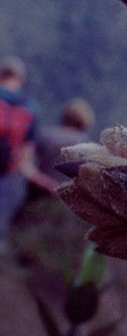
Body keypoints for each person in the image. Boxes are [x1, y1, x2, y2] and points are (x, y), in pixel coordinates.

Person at [0, 56, 57, 244]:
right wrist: (51, 185)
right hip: (7, 177)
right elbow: (26, 164)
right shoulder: (30, 109)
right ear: (21, 80)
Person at [36, 96, 96, 180]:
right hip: (68, 190)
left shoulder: (45, 135)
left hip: (40, 189)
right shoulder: (84, 142)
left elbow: (26, 164)